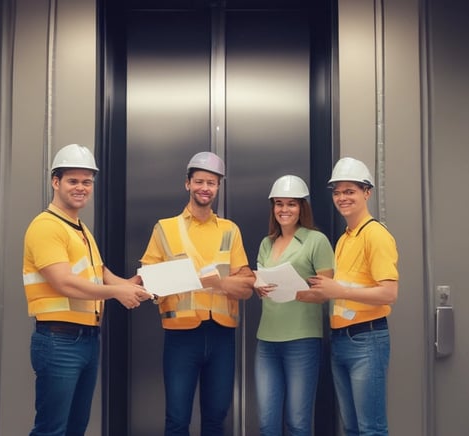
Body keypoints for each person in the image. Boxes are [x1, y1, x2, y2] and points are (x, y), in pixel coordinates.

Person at [22, 143, 152, 436]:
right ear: (56, 182)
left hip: (87, 340)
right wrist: (118, 293)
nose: (81, 187)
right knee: (51, 430)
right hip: (59, 342)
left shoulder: (79, 228)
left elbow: (101, 274)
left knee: (75, 428)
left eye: (87, 182)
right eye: (73, 181)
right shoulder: (46, 227)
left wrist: (139, 283)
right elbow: (63, 282)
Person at [140, 151, 255, 436]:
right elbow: (147, 281)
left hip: (221, 337)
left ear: (218, 187)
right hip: (181, 337)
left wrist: (216, 284)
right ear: (187, 184)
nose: (206, 188)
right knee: (177, 420)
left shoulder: (230, 230)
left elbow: (246, 286)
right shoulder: (165, 229)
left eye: (212, 183)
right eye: (200, 181)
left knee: (216, 419)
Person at [304, 157, 399, 436]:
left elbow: (389, 293)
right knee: (352, 428)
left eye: (350, 191)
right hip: (341, 339)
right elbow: (345, 288)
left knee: (371, 429)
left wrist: (338, 291)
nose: (342, 198)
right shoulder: (345, 238)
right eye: (337, 192)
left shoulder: (376, 235)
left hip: (366, 340)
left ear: (367, 192)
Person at [253, 175, 334, 436]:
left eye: (291, 204)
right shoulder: (266, 243)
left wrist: (297, 292)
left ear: (302, 207)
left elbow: (326, 292)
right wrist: (258, 287)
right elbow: (262, 284)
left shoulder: (316, 241)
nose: (284, 210)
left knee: (298, 422)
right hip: (267, 341)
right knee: (267, 424)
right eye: (279, 204)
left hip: (302, 340)